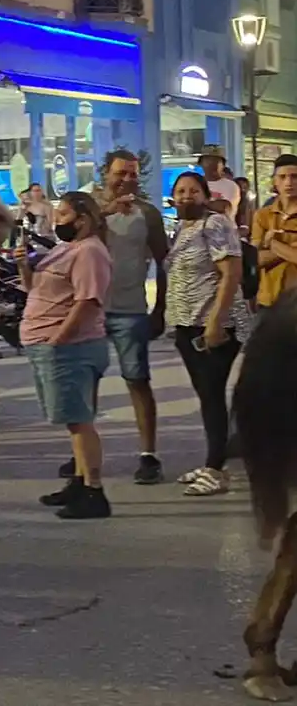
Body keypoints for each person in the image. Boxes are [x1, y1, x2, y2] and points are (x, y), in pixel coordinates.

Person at [77, 149, 169, 486]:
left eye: (132, 174)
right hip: (89, 308)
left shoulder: (147, 213)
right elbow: (70, 241)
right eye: (121, 173)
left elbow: (164, 261)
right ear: (106, 172)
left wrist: (161, 308)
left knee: (137, 380)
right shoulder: (87, 209)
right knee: (86, 382)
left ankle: (148, 454)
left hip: (131, 310)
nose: (127, 179)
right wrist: (105, 212)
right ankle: (82, 453)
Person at [21, 192, 115, 519]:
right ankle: (79, 481)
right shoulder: (66, 248)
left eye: (62, 214)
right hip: (51, 344)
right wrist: (23, 265)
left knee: (80, 421)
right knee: (73, 420)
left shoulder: (89, 251)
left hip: (71, 348)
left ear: (82, 219)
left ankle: (94, 491)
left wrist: (59, 339)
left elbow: (87, 301)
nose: (56, 220)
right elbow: (35, 290)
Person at [165, 170, 247, 498]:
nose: (187, 196)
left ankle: (216, 470)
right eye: (181, 191)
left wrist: (216, 322)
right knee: (206, 395)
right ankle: (213, 461)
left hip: (215, 326)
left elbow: (231, 273)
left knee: (212, 395)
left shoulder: (215, 224)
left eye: (193, 191)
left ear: (206, 195)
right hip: (187, 325)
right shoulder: (182, 229)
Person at [252, 155, 297, 310]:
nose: (288, 182)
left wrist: (271, 243)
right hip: (269, 299)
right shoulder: (262, 215)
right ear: (275, 181)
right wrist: (290, 248)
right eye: (282, 177)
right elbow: (255, 260)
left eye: (294, 177)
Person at [200, 152, 242, 217]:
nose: (212, 165)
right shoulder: (196, 182)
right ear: (201, 164)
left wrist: (202, 203)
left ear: (223, 165)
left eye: (216, 161)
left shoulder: (231, 186)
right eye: (208, 161)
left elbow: (224, 207)